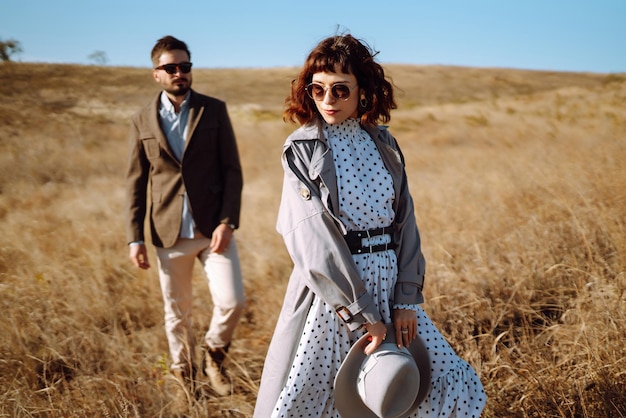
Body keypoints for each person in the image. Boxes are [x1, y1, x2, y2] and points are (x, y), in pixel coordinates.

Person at [254, 34, 486, 417]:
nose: (328, 100)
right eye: (318, 89)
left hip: (391, 284)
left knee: (444, 382)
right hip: (334, 296)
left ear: (363, 92)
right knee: (317, 399)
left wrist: (407, 299)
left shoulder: (384, 143)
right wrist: (362, 315)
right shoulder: (301, 148)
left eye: (340, 90)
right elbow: (312, 240)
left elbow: (406, 223)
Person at [125, 35, 246, 396]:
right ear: (156, 74)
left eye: (185, 67)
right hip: (167, 231)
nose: (180, 73)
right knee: (177, 311)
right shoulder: (141, 121)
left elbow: (232, 171)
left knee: (232, 301)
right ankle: (183, 374)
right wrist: (135, 238)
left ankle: (214, 353)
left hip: (213, 229)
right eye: (171, 68)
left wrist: (228, 221)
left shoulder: (214, 110)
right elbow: (135, 183)